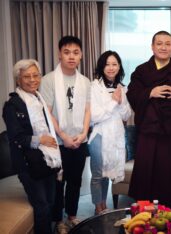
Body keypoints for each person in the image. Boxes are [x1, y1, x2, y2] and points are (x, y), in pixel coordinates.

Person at [126, 30, 171, 208]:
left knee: (169, 173)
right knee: (147, 172)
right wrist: (149, 92)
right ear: (152, 47)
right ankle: (145, 210)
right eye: (159, 43)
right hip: (149, 132)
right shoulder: (142, 71)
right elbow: (133, 95)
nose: (163, 47)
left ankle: (170, 210)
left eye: (168, 43)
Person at [2, 59, 62, 234]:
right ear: (18, 80)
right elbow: (15, 137)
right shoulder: (12, 105)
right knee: (42, 205)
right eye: (27, 76)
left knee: (50, 201)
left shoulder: (39, 100)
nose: (32, 79)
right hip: (27, 164)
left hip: (47, 159)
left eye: (36, 75)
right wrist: (40, 140)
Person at [40, 36, 91, 234]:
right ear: (59, 54)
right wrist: (63, 136)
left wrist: (84, 133)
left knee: (75, 181)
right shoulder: (48, 80)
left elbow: (88, 110)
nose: (71, 56)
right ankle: (58, 219)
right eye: (67, 52)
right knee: (58, 182)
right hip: (57, 142)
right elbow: (47, 112)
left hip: (79, 140)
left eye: (76, 52)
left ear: (81, 55)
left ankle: (72, 216)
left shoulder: (85, 81)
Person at [88, 50, 131, 215]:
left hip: (116, 134)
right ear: (101, 66)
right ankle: (97, 207)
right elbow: (95, 116)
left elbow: (126, 115)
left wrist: (120, 103)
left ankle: (104, 205)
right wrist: (114, 103)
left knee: (107, 173)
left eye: (114, 64)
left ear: (119, 67)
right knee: (98, 174)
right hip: (99, 134)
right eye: (107, 64)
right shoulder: (93, 87)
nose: (111, 68)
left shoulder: (122, 88)